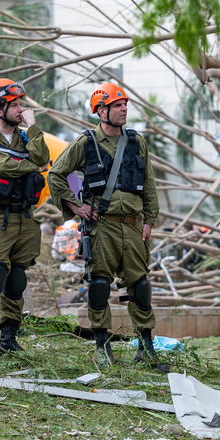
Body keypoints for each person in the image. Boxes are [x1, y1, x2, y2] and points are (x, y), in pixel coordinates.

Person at [46, 81, 161, 368]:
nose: (124, 109)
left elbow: (148, 183)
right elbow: (56, 174)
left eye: (124, 105)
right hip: (102, 226)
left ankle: (146, 348)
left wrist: (150, 220)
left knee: (140, 285)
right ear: (101, 111)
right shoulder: (86, 143)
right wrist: (75, 206)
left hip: (134, 225)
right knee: (98, 283)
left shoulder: (136, 142)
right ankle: (102, 345)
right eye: (117, 106)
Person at [0, 78, 50, 356]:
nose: (21, 109)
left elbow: (42, 157)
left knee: (17, 279)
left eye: (21, 103)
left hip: (25, 217)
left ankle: (9, 335)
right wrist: (30, 165)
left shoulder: (25, 137)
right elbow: (0, 165)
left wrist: (33, 128)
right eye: (15, 104)